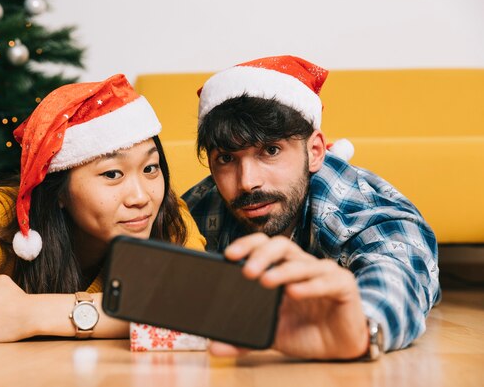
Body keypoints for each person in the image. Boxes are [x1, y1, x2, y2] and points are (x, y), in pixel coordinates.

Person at [0, 74, 206, 343]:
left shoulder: (167, 212)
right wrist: (131, 313)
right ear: (57, 189)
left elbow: (203, 304)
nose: (141, 196)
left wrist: (31, 315)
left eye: (151, 168)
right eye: (112, 174)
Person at [182, 55, 440, 360]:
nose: (248, 182)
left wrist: (361, 328)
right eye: (226, 158)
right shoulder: (201, 203)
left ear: (315, 151)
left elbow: (398, 262)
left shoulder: (348, 206)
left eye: (271, 150)